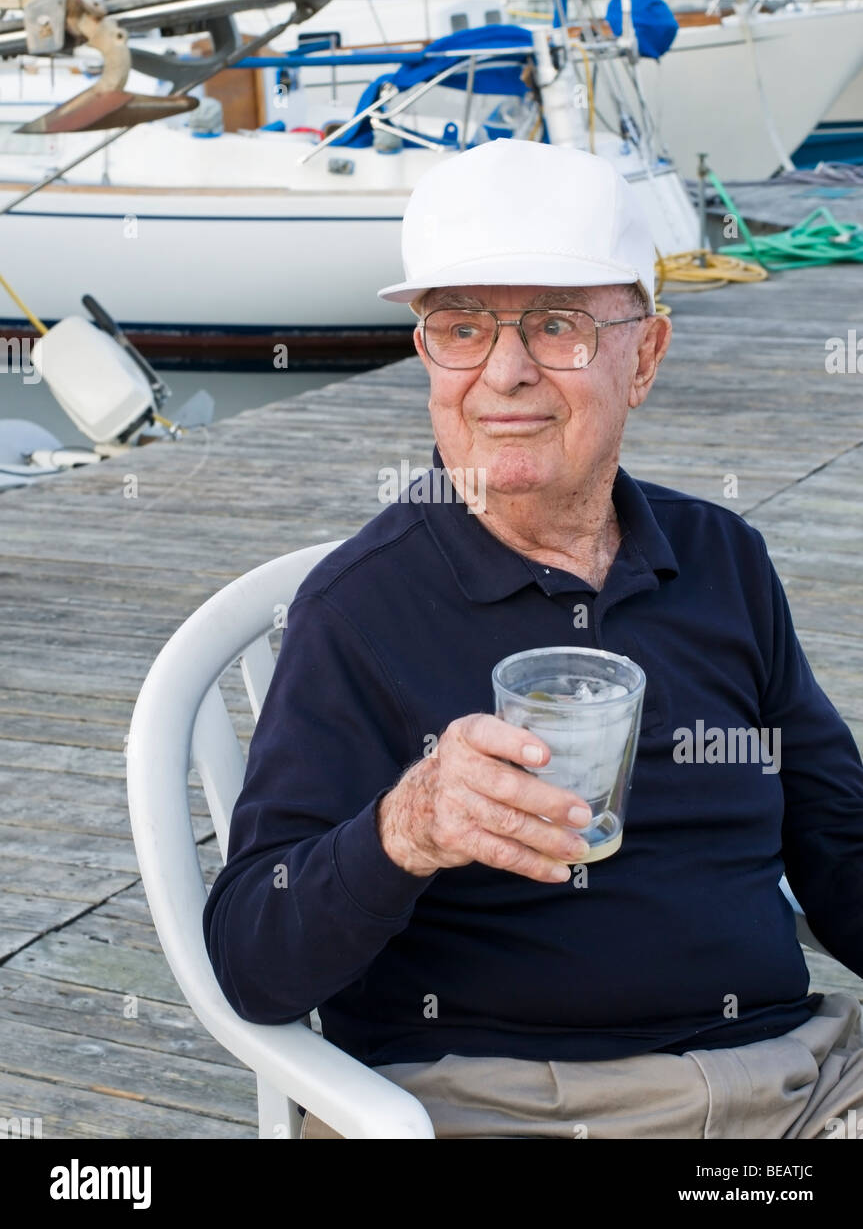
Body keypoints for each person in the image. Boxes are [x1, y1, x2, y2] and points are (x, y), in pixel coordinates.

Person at [203, 139, 863, 1139]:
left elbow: (836, 848)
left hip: (792, 1086)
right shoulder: (360, 607)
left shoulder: (720, 557)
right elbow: (253, 957)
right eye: (459, 326)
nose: (501, 374)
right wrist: (403, 829)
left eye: (554, 326)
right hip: (491, 1104)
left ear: (642, 355)